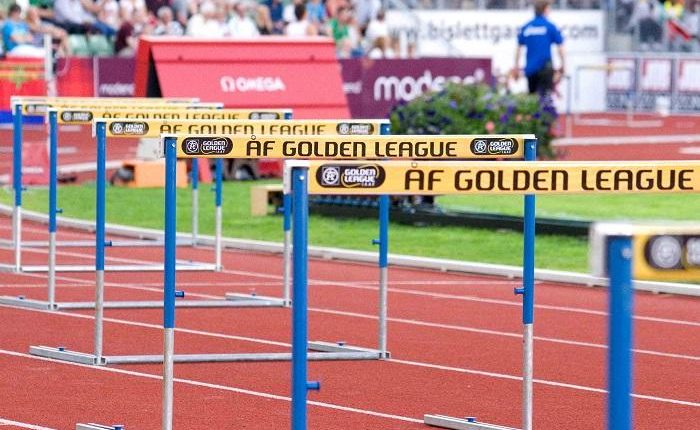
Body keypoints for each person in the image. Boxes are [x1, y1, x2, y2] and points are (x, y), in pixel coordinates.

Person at [513, 0, 565, 95]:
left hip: (530, 68)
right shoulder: (549, 26)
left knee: (532, 98)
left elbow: (518, 49)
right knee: (545, 97)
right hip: (545, 67)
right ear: (545, 9)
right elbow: (560, 47)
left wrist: (516, 67)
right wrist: (563, 65)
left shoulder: (527, 27)